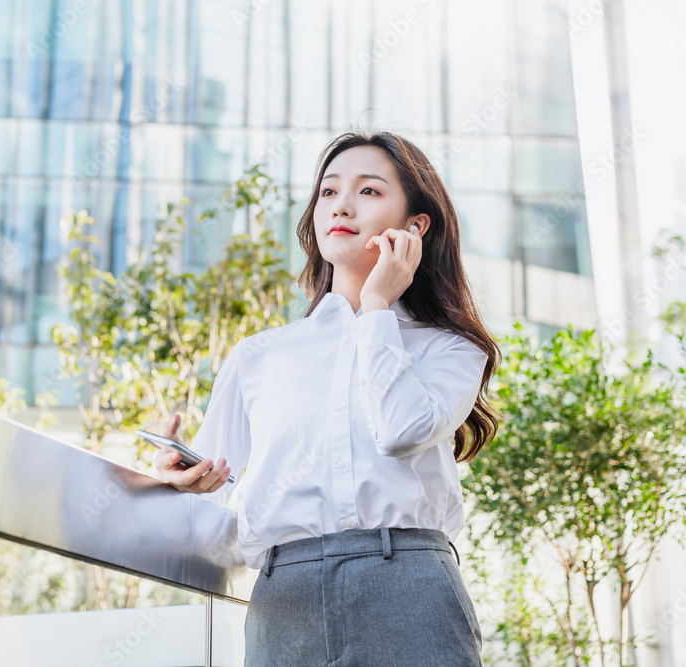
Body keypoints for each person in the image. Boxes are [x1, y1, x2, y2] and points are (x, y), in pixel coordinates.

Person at [152, 130, 501, 666]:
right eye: (329, 191)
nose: (341, 204)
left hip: (409, 590)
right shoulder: (259, 356)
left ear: (415, 225)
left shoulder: (449, 348)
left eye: (368, 191)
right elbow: (212, 496)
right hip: (283, 598)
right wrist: (180, 479)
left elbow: (402, 430)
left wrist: (379, 304)